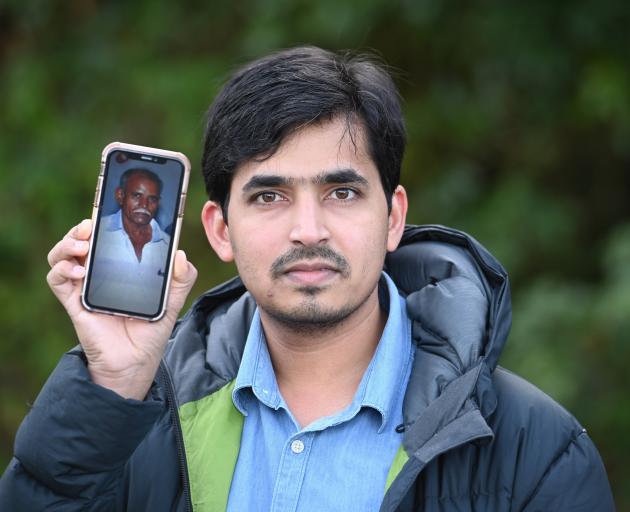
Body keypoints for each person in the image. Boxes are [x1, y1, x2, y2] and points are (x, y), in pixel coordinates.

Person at [0, 46, 615, 511]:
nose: (308, 229)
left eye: (341, 191)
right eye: (269, 197)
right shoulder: (133, 423)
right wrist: (109, 384)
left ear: (393, 215)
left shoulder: (534, 448)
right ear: (219, 230)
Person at [88, 168, 171, 313]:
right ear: (120, 196)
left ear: (158, 203)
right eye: (137, 195)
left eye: (152, 199)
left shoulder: (168, 245)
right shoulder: (95, 233)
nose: (144, 205)